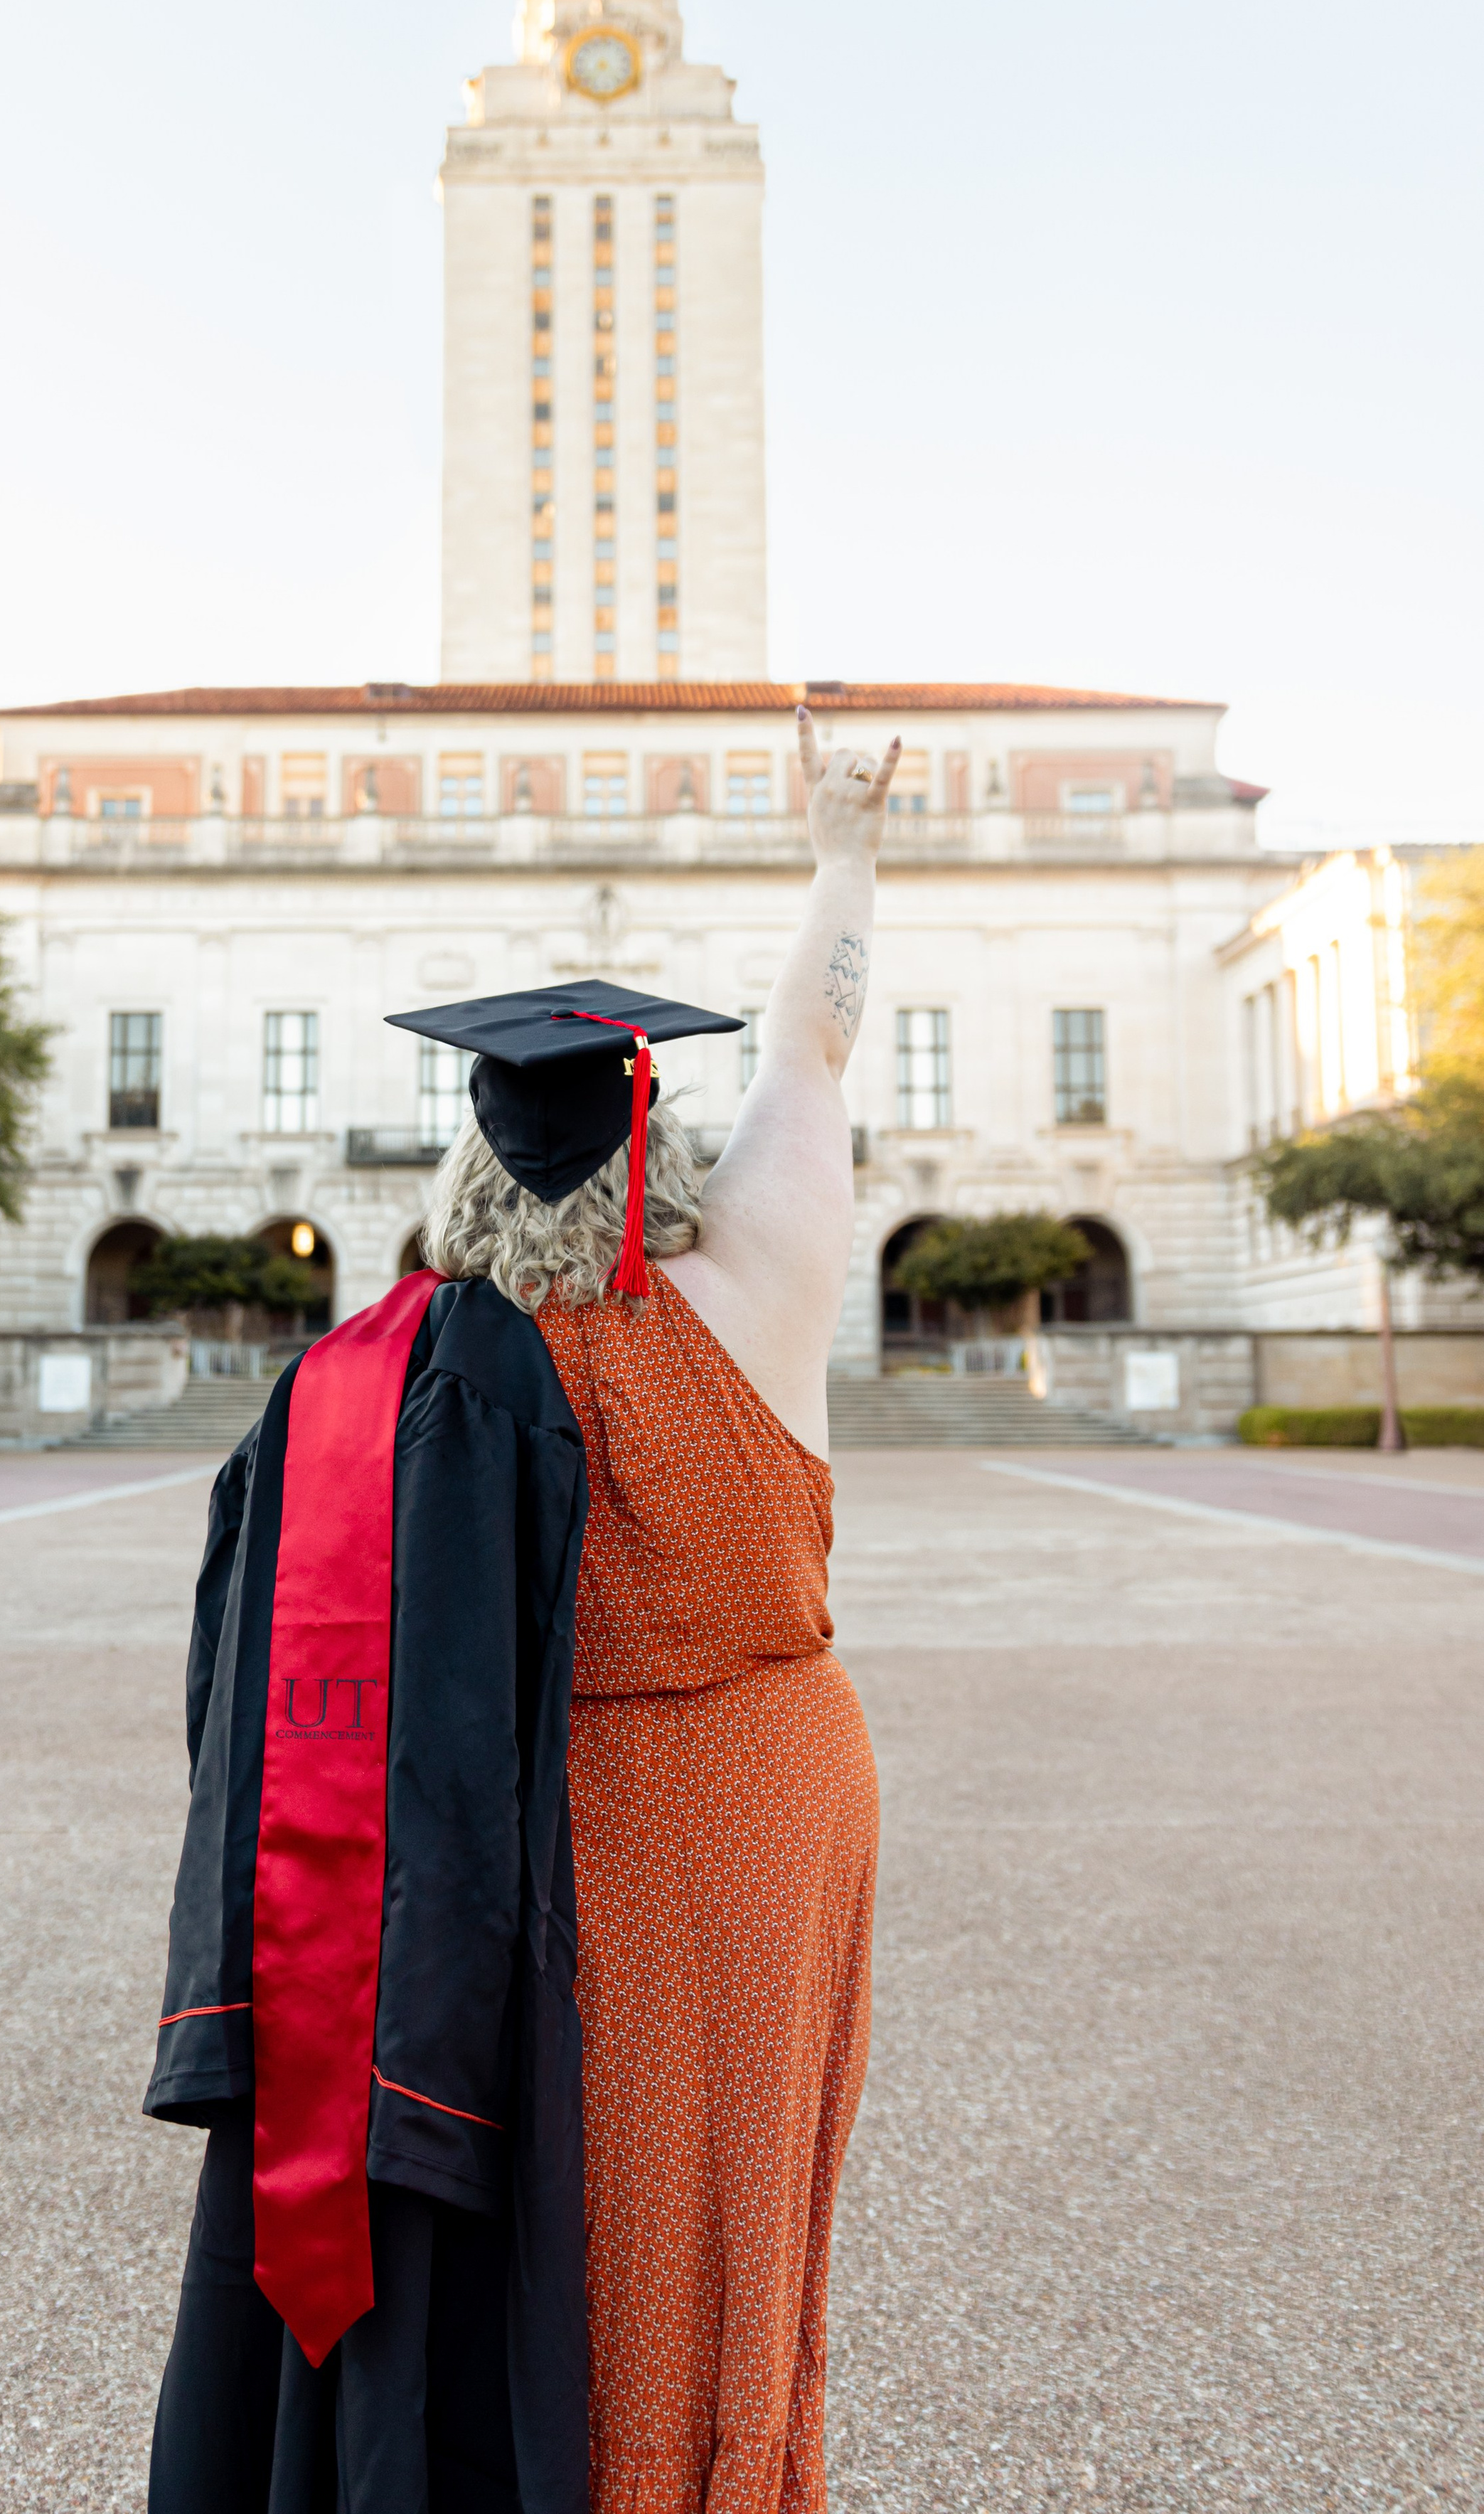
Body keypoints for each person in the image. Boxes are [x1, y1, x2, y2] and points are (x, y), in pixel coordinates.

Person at [143, 708, 899, 2513]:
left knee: (593, 2185)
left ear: (458, 1181)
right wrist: (841, 854)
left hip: (571, 1827)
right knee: (740, 2184)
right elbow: (812, 1039)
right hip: (774, 1801)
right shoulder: (765, 1282)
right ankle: (734, 2470)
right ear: (650, 1147)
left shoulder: (410, 1384)